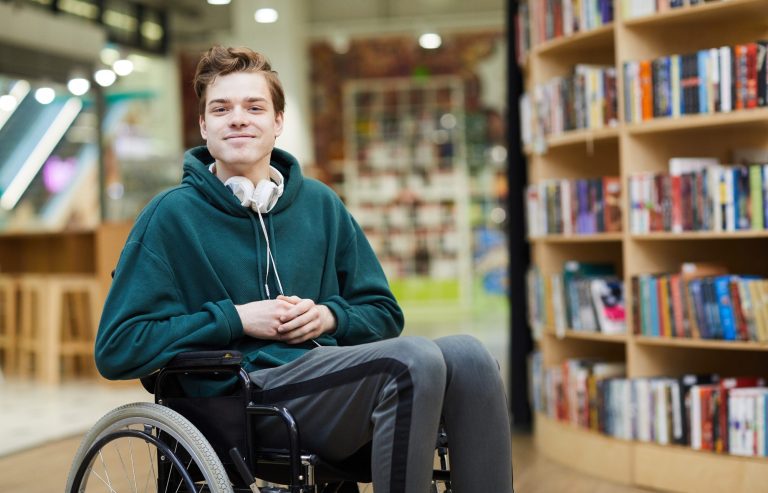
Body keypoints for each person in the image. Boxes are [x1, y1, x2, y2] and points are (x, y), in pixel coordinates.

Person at [94, 45, 513, 493]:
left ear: (277, 121)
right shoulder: (170, 216)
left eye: (254, 107)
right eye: (221, 109)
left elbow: (383, 312)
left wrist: (330, 316)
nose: (238, 118)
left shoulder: (321, 204)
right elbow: (118, 348)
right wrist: (236, 318)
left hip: (329, 381)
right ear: (203, 126)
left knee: (470, 355)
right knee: (412, 359)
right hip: (243, 401)